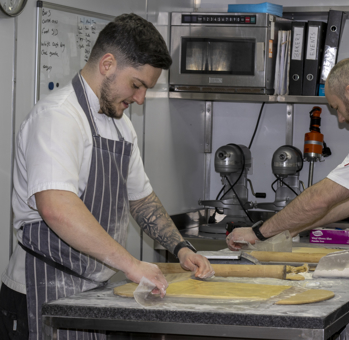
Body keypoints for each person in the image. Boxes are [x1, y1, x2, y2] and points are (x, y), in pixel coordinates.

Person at [0, 13, 213, 340]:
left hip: (91, 290)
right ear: (108, 64)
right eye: (137, 85)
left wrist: (181, 249)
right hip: (41, 290)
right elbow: (57, 208)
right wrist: (131, 264)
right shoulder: (58, 117)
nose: (140, 99)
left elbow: (142, 202)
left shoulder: (120, 125)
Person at [227, 58, 349, 339]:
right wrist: (290, 230)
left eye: (336, 108)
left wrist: (258, 233)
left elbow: (321, 198)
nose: (341, 119)